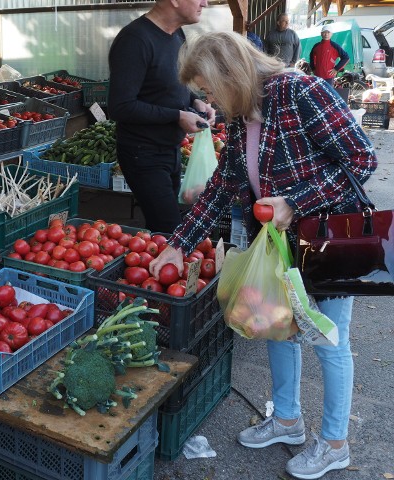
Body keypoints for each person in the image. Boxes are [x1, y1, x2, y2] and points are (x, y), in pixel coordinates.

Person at [149, 31, 377, 480]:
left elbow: (361, 159)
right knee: (277, 326)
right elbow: (222, 186)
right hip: (276, 243)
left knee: (330, 339)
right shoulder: (239, 115)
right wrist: (178, 241)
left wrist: (297, 200)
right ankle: (287, 420)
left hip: (327, 239)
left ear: (228, 74)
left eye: (208, 88)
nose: (207, 99)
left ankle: (334, 444)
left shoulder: (300, 91)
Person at [107, 0, 215, 234]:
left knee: (161, 231)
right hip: (143, 154)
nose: (205, 3)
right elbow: (120, 106)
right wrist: (176, 115)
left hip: (171, 149)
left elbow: (171, 87)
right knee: (169, 229)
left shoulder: (178, 35)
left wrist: (194, 102)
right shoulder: (135, 40)